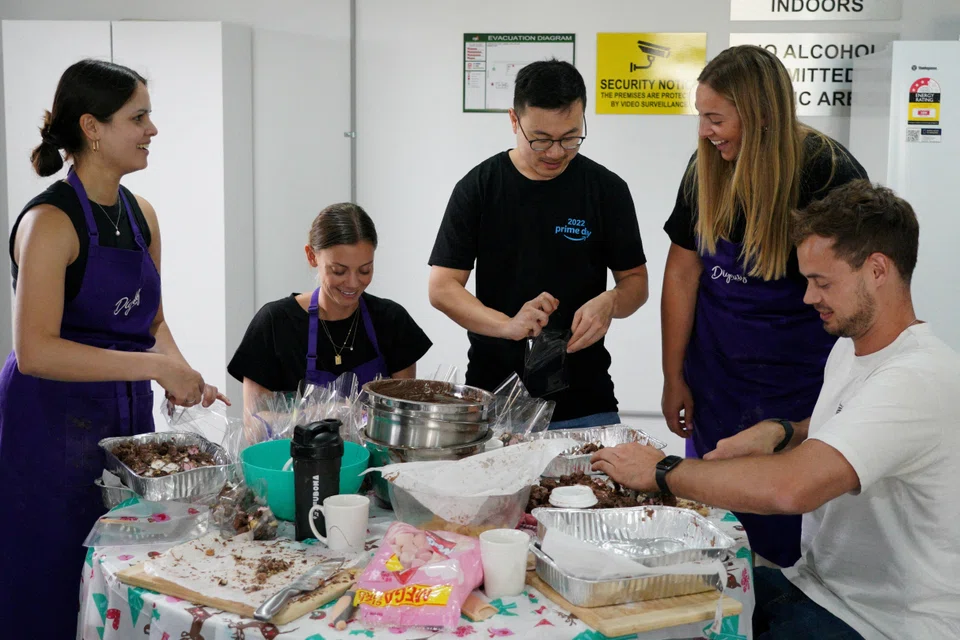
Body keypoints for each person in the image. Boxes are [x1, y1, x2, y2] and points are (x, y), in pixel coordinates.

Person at [594, 180, 960, 639]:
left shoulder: (919, 377)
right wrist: (784, 431)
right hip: (814, 588)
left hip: (879, 624)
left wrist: (662, 471)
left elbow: (792, 489)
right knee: (647, 606)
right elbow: (861, 429)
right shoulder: (851, 349)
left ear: (877, 270)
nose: (808, 297)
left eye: (822, 282)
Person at [0, 59, 228, 636]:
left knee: (126, 566)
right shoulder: (50, 222)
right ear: (92, 127)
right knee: (52, 576)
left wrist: (180, 371)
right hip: (49, 430)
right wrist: (154, 366)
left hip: (124, 421)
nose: (153, 129)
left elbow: (151, 317)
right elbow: (35, 352)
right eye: (139, 117)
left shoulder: (141, 214)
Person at [661, 44, 868, 567]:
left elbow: (858, 291)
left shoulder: (827, 173)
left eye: (716, 118)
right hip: (716, 377)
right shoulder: (704, 168)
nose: (705, 131)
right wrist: (672, 375)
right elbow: (682, 273)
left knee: (788, 533)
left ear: (759, 114)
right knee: (713, 524)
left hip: (797, 381)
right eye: (701, 117)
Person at [428, 59, 648, 429]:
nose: (556, 152)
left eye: (570, 137)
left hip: (585, 401)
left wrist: (611, 301)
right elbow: (442, 288)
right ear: (514, 120)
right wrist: (507, 325)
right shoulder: (479, 187)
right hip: (494, 401)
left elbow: (636, 283)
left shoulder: (606, 190)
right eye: (541, 139)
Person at [229, 202, 432, 411]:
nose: (353, 283)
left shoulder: (392, 321)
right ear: (311, 256)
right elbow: (254, 422)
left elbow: (403, 414)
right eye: (338, 271)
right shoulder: (275, 323)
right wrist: (318, 415)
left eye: (364, 270)